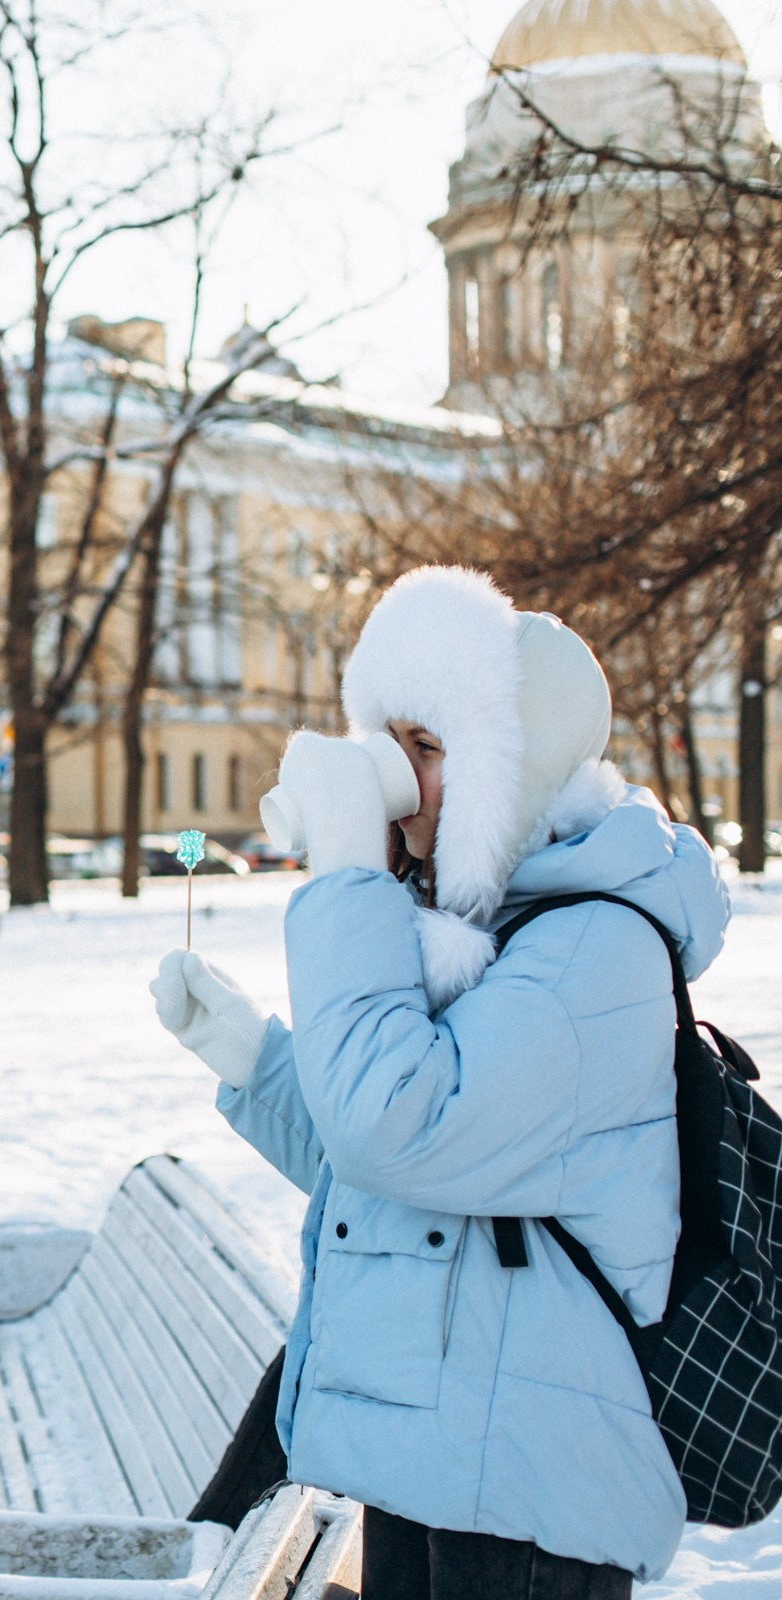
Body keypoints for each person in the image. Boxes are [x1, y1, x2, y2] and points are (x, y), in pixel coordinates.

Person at [150, 567, 729, 1599]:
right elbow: (399, 1182)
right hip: (439, 1447)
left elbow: (396, 1131)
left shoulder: (591, 951)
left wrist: (347, 877)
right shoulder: (478, 934)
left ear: (514, 768)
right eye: (388, 743)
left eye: (426, 747)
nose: (397, 778)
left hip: (526, 1485)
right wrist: (254, 1057)